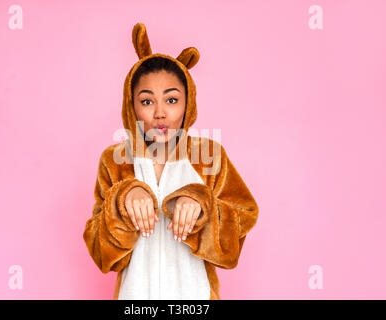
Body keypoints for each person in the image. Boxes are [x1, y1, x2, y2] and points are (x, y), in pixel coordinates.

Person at [82, 22, 259, 300]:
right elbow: (102, 255)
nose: (160, 113)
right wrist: (124, 198)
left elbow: (235, 238)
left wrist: (202, 204)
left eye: (172, 100)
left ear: (188, 103)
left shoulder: (210, 157)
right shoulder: (115, 161)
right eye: (148, 102)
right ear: (132, 106)